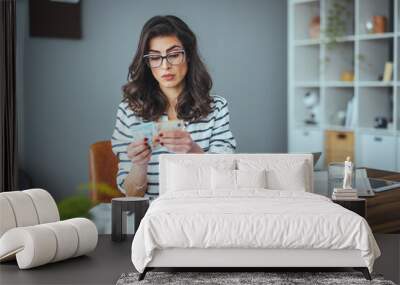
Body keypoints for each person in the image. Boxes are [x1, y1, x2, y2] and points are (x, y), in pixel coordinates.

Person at [111, 15, 237, 199]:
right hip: (150, 217)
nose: (165, 66)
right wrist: (139, 165)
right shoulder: (129, 110)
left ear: (189, 55)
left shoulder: (216, 107)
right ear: (147, 63)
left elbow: (227, 179)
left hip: (200, 213)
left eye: (174, 54)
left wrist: (193, 151)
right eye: (155, 57)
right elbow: (131, 195)